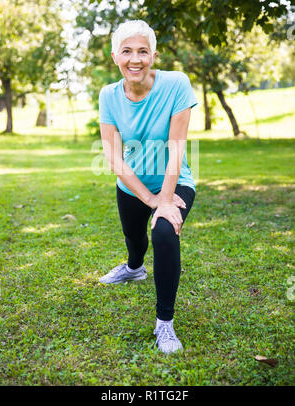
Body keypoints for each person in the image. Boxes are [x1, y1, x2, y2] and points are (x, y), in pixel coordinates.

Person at [98, 20, 198, 354]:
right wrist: (151, 199)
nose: (135, 59)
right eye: (127, 51)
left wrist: (165, 201)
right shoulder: (109, 96)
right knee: (135, 240)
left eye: (143, 51)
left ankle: (165, 325)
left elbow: (177, 147)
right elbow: (114, 158)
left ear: (153, 55)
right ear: (115, 57)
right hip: (132, 186)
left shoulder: (176, 84)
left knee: (165, 232)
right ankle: (133, 269)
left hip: (175, 181)